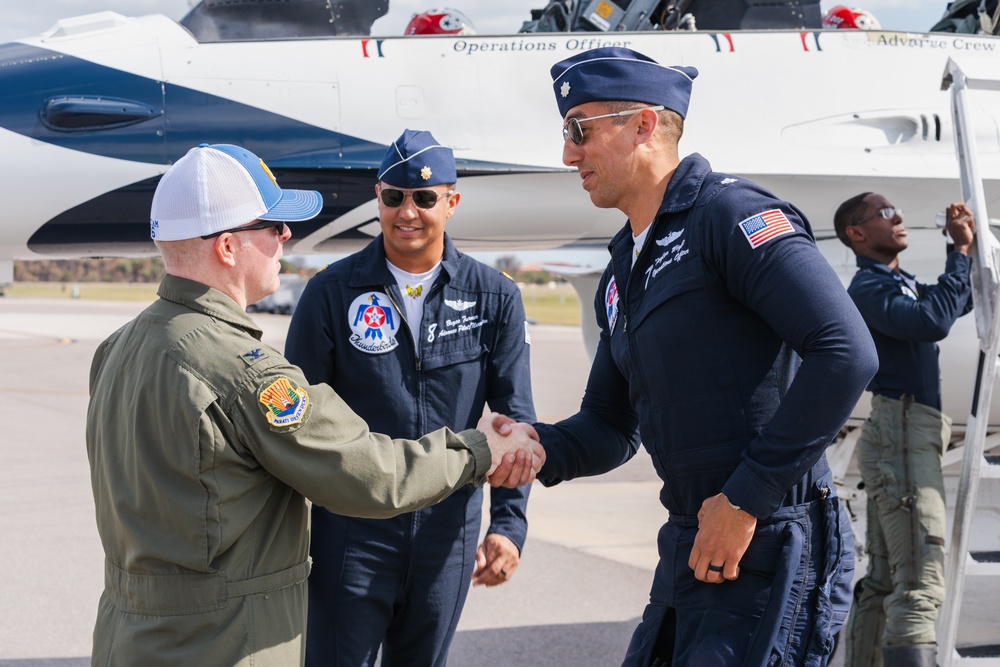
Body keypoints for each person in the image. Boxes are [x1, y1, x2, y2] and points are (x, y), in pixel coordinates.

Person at [85, 142, 542, 666]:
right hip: (224, 643)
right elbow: (369, 474)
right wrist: (482, 449)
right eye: (273, 226)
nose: (286, 238)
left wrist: (507, 523)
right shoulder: (244, 371)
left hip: (133, 639)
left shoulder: (118, 347)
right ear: (228, 247)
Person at [498, 46, 879, 665]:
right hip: (692, 537)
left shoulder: (732, 216)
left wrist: (745, 499)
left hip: (767, 532)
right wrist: (533, 446)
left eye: (578, 130)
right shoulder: (625, 264)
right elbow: (610, 424)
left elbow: (845, 352)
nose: (568, 153)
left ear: (643, 125)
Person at [285, 129, 535, 667]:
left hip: (448, 535)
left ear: (451, 202)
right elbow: (294, 427)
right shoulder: (331, 293)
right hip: (353, 532)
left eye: (424, 198)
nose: (408, 212)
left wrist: (509, 526)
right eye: (394, 196)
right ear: (377, 196)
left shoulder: (495, 296)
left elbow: (515, 423)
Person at [835, 194, 975, 667]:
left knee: (886, 581)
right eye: (885, 213)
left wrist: (971, 252)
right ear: (856, 233)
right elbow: (932, 321)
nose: (899, 218)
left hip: (906, 432)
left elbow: (949, 303)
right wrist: (957, 254)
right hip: (902, 433)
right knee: (921, 579)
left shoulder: (896, 283)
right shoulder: (869, 288)